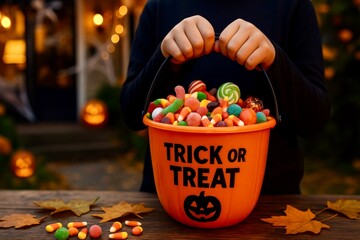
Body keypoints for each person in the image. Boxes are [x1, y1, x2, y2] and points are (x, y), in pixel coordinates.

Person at [120, 0, 331, 194]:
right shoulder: (159, 6)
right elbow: (131, 113)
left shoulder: (293, 5)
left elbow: (314, 121)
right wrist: (164, 57)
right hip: (169, 199)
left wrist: (274, 60)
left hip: (271, 204)